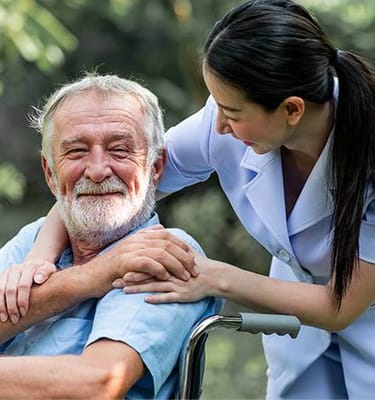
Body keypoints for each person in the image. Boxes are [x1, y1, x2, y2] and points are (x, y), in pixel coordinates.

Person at [2, 0, 375, 398]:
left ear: (292, 110)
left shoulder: (167, 259)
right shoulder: (232, 118)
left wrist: (210, 275)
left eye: (230, 111)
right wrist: (40, 257)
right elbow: (107, 181)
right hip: (300, 336)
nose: (217, 125)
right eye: (76, 150)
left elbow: (341, 306)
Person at [0, 74, 222, 399]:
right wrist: (94, 275)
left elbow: (95, 385)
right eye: (76, 151)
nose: (98, 170)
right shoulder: (34, 239)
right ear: (50, 173)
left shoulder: (164, 251)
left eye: (119, 150)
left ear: (155, 167)